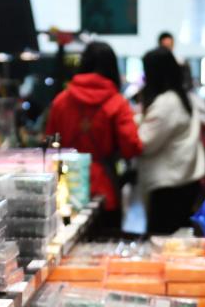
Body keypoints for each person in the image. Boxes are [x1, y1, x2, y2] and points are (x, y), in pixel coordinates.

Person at [45, 41, 142, 232]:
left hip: (67, 188)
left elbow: (50, 147)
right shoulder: (117, 103)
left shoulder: (61, 101)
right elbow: (131, 146)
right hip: (104, 189)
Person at [137, 47, 205, 235]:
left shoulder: (167, 103)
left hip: (169, 186)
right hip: (182, 181)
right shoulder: (182, 97)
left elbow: (144, 143)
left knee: (162, 243)